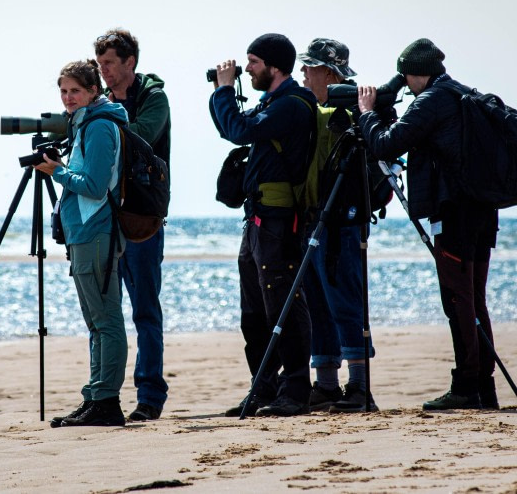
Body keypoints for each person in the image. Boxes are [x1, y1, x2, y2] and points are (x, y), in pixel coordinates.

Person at [357, 38, 500, 410]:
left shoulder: (432, 101)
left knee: (457, 300)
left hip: (454, 213)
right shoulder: (460, 94)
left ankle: (468, 387)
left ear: (415, 73)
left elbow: (386, 145)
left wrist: (367, 112)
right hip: (482, 211)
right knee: (472, 300)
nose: (403, 84)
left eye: (405, 77)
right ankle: (483, 388)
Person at [209, 33, 317, 417]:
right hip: (256, 221)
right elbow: (240, 127)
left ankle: (295, 391)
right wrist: (228, 92)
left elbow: (236, 131)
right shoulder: (271, 103)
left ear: (275, 66)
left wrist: (223, 90)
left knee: (283, 307)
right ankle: (264, 387)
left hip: (278, 221)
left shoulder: (291, 105)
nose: (248, 69)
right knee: (254, 315)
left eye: (253, 62)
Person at [36, 59, 130, 427]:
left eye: (76, 90)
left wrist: (56, 171)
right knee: (96, 322)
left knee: (106, 319)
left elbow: (93, 185)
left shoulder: (100, 126)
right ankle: (95, 396)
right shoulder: (83, 126)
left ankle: (107, 402)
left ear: (94, 91)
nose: (68, 97)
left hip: (97, 231)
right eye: (64, 91)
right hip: (83, 233)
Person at [93, 29, 171, 422]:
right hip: (104, 219)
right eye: (100, 63)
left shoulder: (152, 98)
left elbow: (139, 138)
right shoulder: (101, 102)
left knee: (144, 311)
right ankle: (103, 396)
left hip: (141, 218)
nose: (103, 70)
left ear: (130, 63)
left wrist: (98, 125)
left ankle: (150, 396)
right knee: (105, 314)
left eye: (109, 63)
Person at [296, 38, 376, 412]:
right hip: (314, 216)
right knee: (317, 303)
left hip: (343, 220)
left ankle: (359, 387)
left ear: (329, 73)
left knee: (345, 299)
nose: (303, 74)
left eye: (309, 68)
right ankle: (326, 384)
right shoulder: (311, 108)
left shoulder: (354, 112)